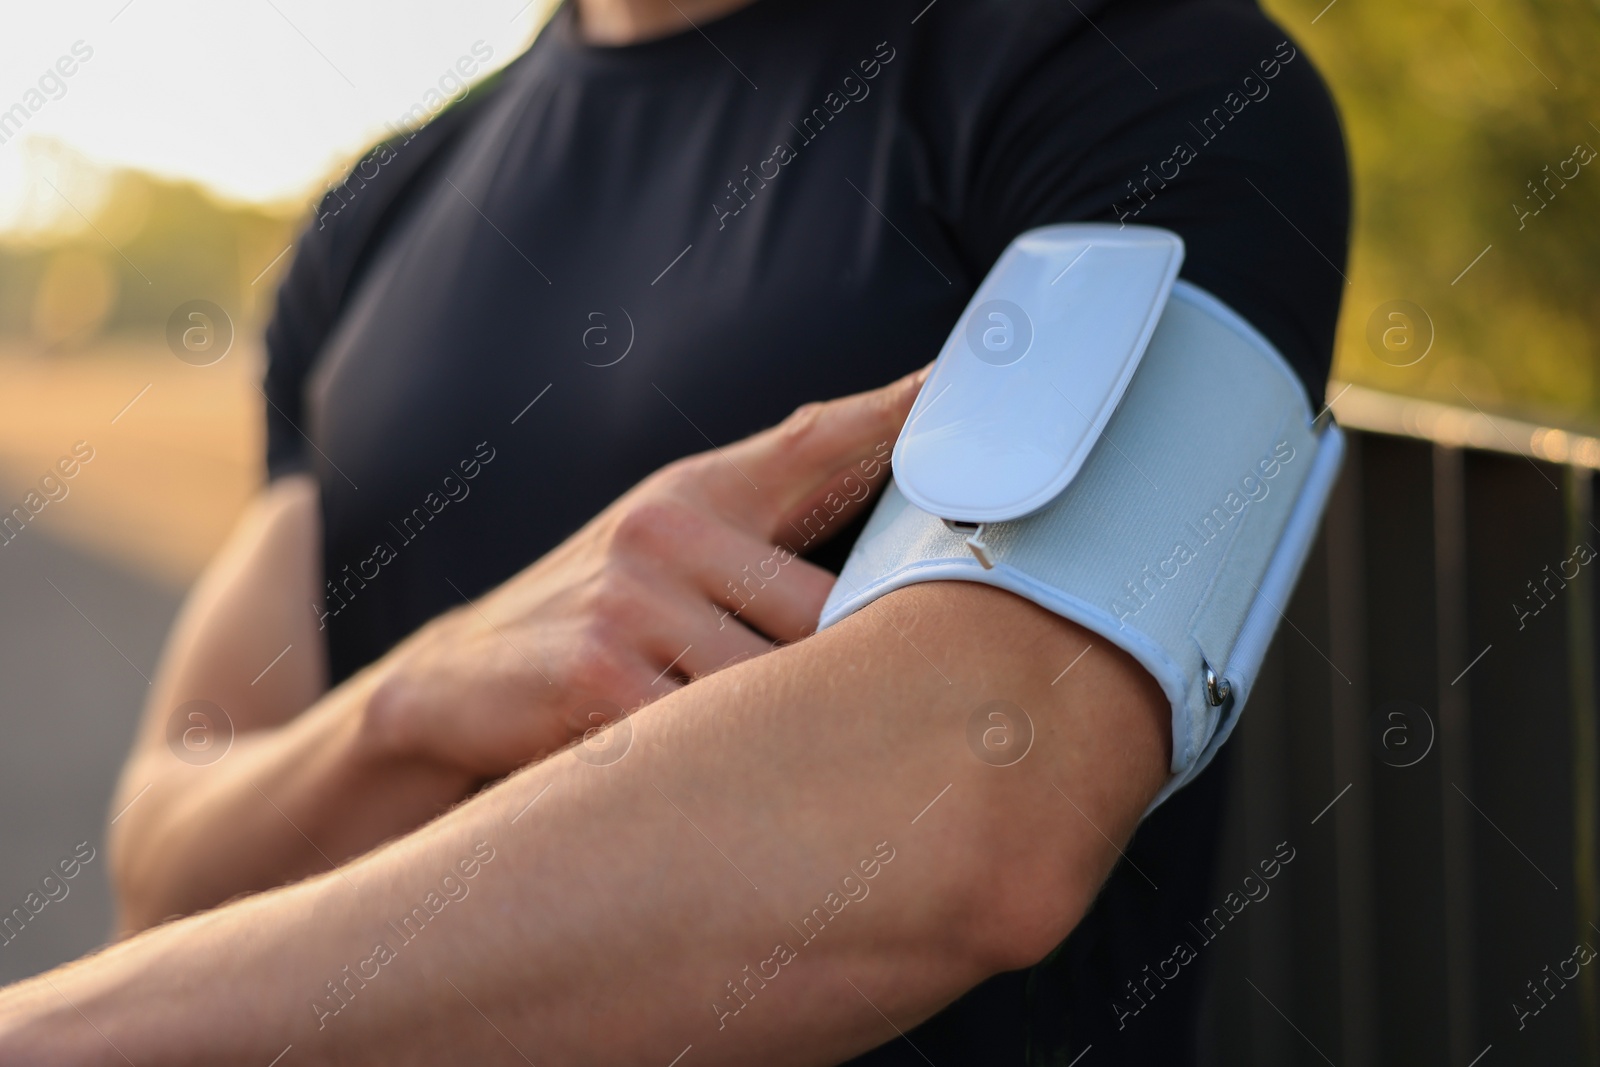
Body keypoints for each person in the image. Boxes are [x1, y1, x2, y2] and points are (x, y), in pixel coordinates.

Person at [0, 0, 1347, 1061]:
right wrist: (415, 701)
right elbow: (168, 859)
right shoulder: (378, 210)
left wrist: (62, 1037)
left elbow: (977, 812)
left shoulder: (1141, 74)